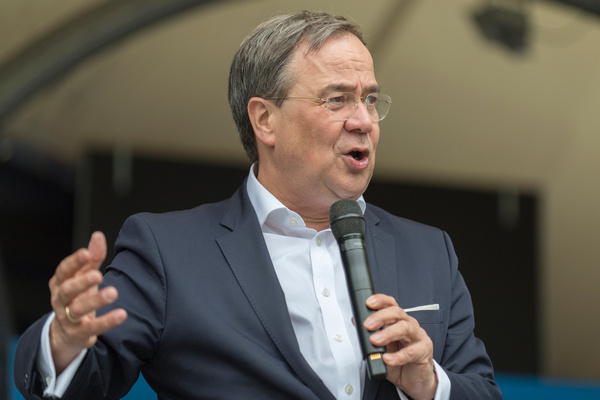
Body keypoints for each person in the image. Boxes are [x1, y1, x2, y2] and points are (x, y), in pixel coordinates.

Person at [14, 10, 502, 400]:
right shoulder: (170, 251)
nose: (364, 121)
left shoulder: (429, 251)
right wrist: (65, 340)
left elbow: (481, 391)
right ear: (265, 120)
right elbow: (84, 383)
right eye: (337, 100)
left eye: (371, 99)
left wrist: (428, 383)